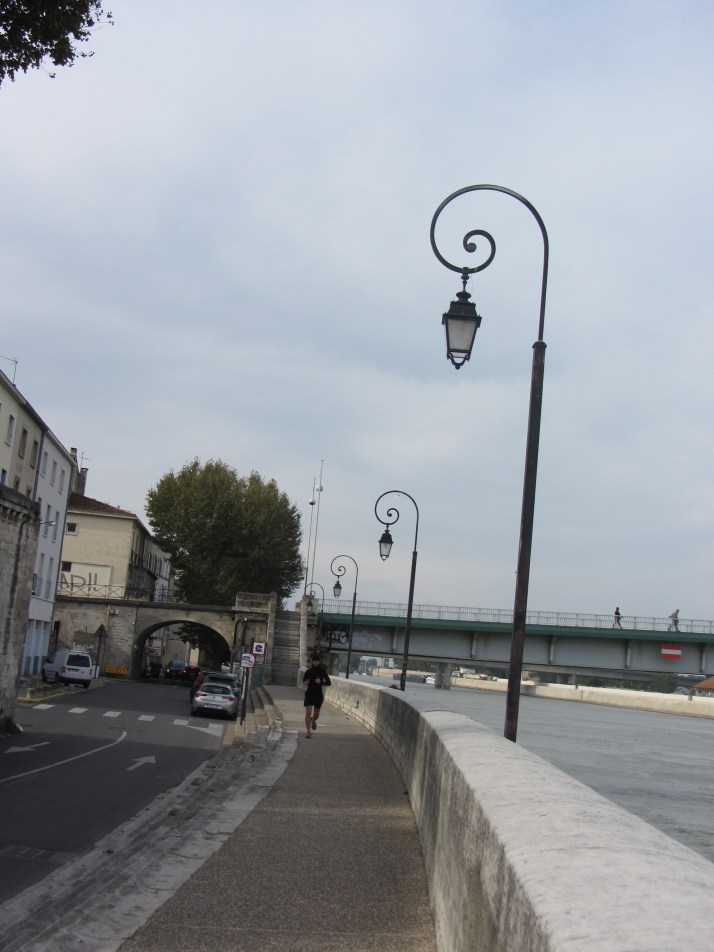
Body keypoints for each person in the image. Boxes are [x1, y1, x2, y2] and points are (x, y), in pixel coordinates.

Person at [303, 652, 331, 738]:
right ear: (312, 661)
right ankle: (308, 731)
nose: (315, 662)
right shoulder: (308, 671)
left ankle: (313, 720)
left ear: (319, 662)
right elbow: (304, 681)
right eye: (314, 661)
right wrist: (305, 682)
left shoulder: (322, 671)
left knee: (316, 713)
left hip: (318, 695)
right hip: (309, 694)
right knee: (308, 712)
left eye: (317, 661)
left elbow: (329, 683)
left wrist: (321, 682)